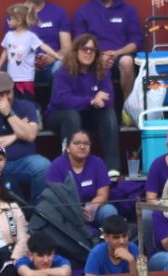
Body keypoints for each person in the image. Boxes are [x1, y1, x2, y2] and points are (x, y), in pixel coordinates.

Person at [44, 34, 120, 180]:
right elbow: (61, 100)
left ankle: (112, 167)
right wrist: (91, 99)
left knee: (108, 113)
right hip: (59, 116)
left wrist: (101, 99)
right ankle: (69, 165)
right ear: (76, 51)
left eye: (93, 50)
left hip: (87, 115)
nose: (89, 53)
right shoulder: (64, 72)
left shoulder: (102, 72)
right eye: (85, 49)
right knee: (72, 115)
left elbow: (109, 98)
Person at [0, 71, 48, 203]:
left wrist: (9, 114)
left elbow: (30, 136)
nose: (5, 98)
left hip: (24, 162)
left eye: (8, 92)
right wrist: (16, 135)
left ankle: (37, 212)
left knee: (43, 165)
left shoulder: (27, 107)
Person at [71, 0, 144, 100]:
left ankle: (128, 107)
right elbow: (80, 42)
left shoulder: (128, 9)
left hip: (121, 55)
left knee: (126, 62)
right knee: (85, 59)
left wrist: (117, 53)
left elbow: (136, 41)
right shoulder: (83, 11)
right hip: (94, 55)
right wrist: (98, 57)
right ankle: (91, 103)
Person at [46, 129, 116, 226]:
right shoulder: (57, 166)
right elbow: (55, 198)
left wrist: (90, 207)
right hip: (66, 212)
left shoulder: (97, 163)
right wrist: (77, 211)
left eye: (86, 143)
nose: (82, 146)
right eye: (77, 143)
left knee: (109, 211)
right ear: (67, 147)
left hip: (91, 210)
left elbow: (103, 194)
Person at [0, 2, 57, 97]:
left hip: (26, 78)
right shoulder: (9, 36)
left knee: (27, 101)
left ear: (19, 21)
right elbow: (5, 51)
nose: (8, 21)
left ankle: (35, 110)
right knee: (13, 101)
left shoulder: (30, 36)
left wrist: (57, 56)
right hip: (12, 77)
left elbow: (43, 46)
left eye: (11, 19)